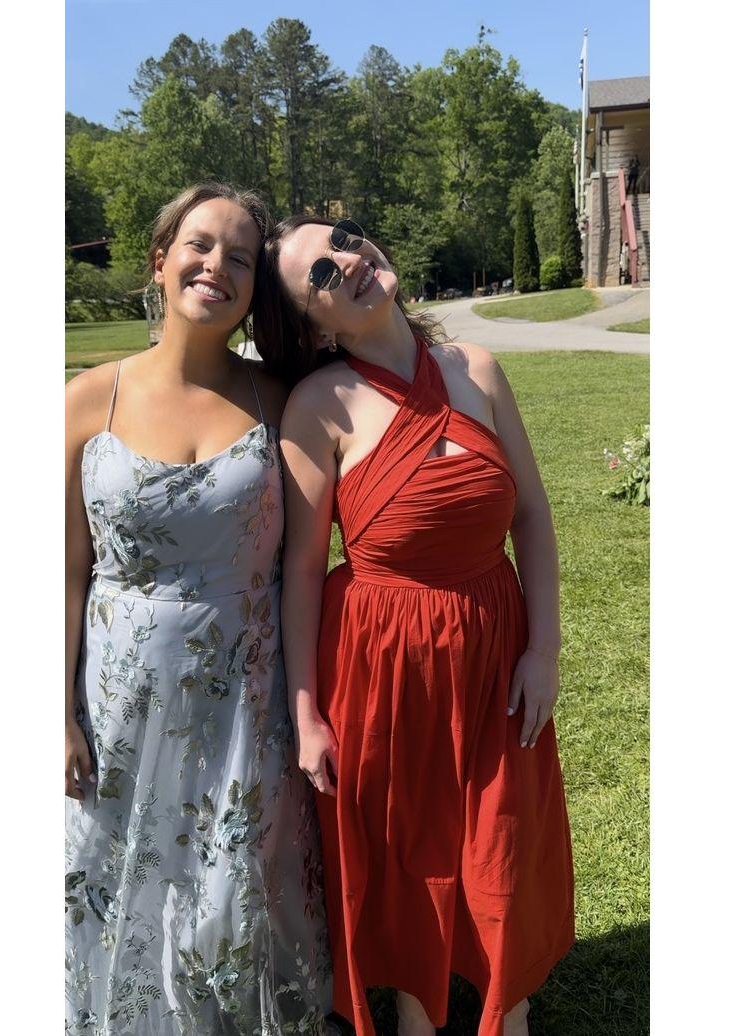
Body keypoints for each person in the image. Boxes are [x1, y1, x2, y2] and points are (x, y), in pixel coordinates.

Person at [252, 217, 575, 1036]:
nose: (349, 261)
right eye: (321, 273)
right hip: (384, 663)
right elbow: (302, 570)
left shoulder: (478, 369)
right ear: (312, 325)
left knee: (503, 837)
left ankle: (510, 1008)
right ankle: (414, 1015)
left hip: (496, 646)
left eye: (347, 239)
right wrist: (305, 713)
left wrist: (543, 649)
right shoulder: (318, 408)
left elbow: (532, 517)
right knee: (406, 848)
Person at [65, 184, 332, 1035]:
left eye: (241, 257)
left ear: (256, 288)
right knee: (122, 878)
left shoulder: (279, 401)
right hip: (117, 700)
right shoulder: (87, 399)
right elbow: (61, 573)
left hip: (245, 695)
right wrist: (53, 712)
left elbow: (306, 560)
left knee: (235, 879)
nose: (218, 265)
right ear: (160, 259)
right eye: (201, 244)